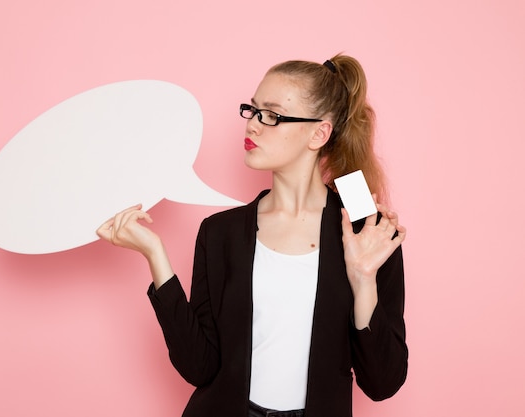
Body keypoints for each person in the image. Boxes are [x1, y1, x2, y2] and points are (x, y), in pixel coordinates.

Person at [97, 54, 408, 417]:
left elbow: (383, 382)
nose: (253, 126)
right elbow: (199, 367)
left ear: (319, 133)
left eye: (272, 115)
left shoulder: (365, 231)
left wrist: (364, 279)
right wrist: (155, 255)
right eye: (252, 110)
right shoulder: (220, 233)